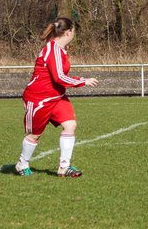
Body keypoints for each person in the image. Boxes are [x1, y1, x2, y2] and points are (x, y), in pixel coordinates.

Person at [15, 16, 99, 177]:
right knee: (35, 134)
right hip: (40, 98)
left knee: (70, 125)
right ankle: (22, 163)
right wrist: (83, 81)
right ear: (68, 33)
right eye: (73, 31)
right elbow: (59, 77)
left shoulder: (60, 50)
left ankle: (64, 167)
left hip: (57, 96)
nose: (74, 34)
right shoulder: (52, 50)